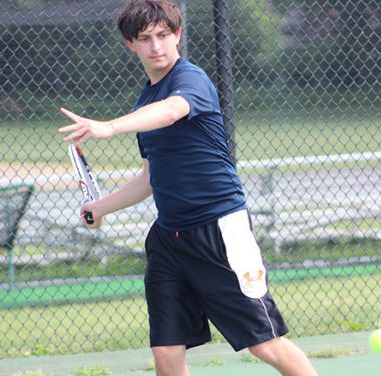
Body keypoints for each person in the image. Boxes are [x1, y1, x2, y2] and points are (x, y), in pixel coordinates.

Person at [58, 1, 318, 375]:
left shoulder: (190, 80)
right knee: (166, 351)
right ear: (131, 44)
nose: (156, 46)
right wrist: (100, 208)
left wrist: (110, 126)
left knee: (266, 344)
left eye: (164, 35)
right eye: (145, 39)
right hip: (168, 239)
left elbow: (172, 110)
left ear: (177, 35)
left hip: (218, 231)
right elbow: (149, 177)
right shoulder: (143, 100)